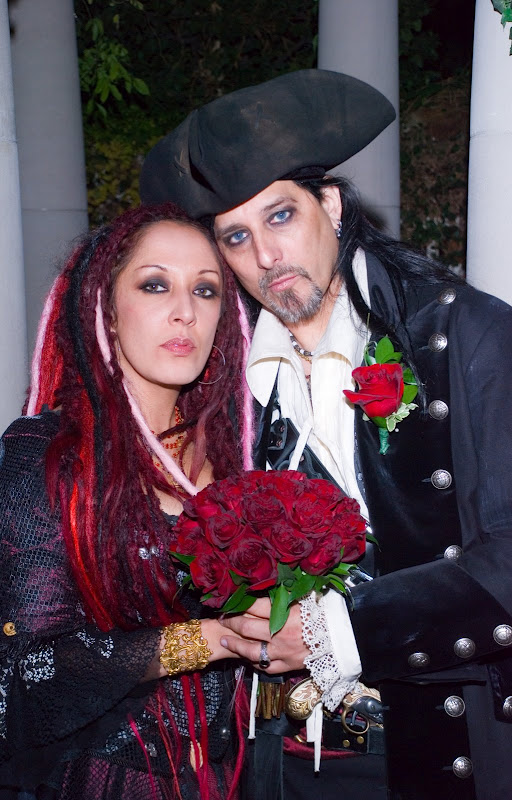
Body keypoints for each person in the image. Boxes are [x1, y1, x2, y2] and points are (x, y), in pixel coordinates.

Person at [139, 70, 512, 799]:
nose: (265, 256)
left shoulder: (465, 334)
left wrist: (335, 634)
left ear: (333, 207)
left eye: (281, 217)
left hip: (433, 743)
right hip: (276, 763)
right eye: (237, 237)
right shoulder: (224, 382)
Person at [0, 204, 257, 800]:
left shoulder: (241, 457)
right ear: (104, 308)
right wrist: (214, 638)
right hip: (99, 778)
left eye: (205, 290)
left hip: (237, 775)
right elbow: (29, 669)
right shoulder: (49, 456)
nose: (185, 311)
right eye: (155, 285)